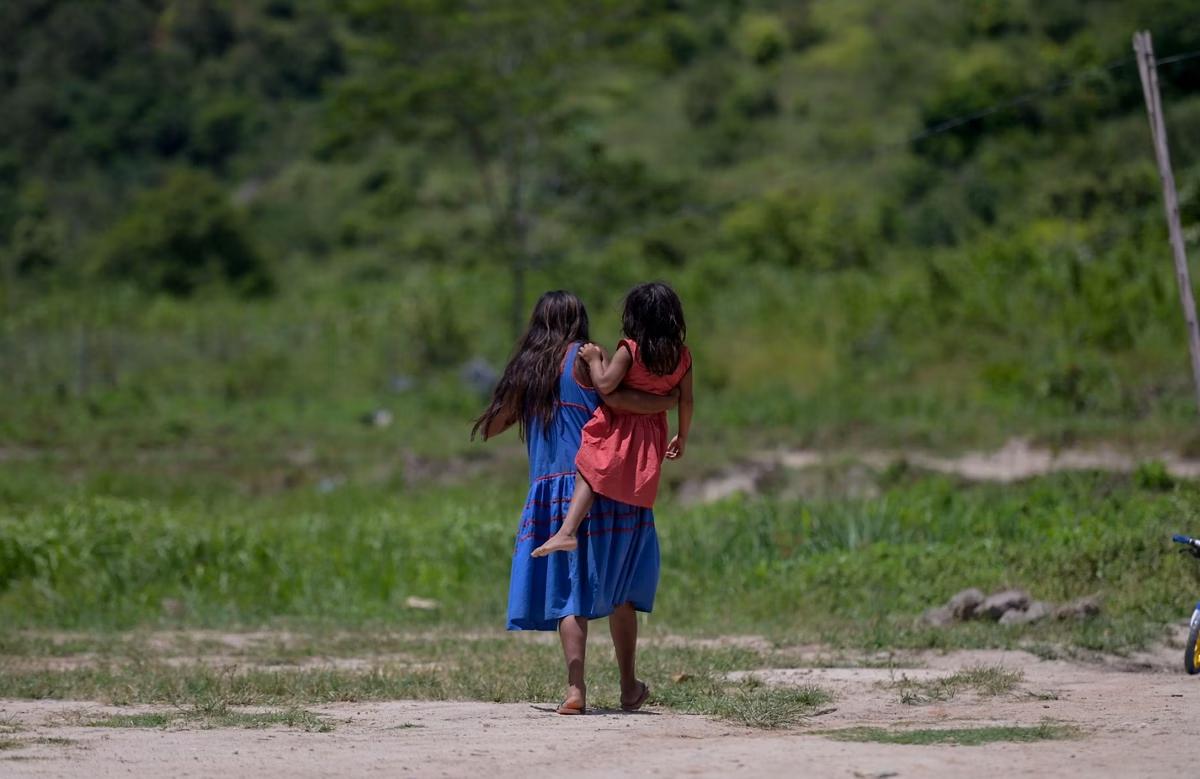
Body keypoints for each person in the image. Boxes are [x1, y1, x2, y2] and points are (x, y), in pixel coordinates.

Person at [473, 290, 676, 715]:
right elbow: (619, 400)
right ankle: (627, 687)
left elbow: (491, 427)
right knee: (621, 588)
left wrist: (519, 400)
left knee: (568, 591)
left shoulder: (528, 371)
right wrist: (667, 401)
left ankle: (575, 689)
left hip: (550, 490)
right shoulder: (586, 360)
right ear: (578, 321)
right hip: (602, 483)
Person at [531, 282, 692, 558]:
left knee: (589, 468)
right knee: (631, 484)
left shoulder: (630, 349)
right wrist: (683, 436)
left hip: (620, 427)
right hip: (653, 431)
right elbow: (686, 400)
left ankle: (567, 531)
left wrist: (594, 359)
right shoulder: (683, 357)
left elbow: (605, 386)